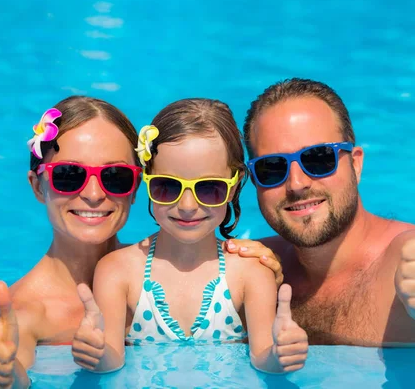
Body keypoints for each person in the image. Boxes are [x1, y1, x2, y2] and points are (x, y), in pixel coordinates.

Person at [227, 78, 415, 346]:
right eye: (272, 167)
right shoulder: (254, 269)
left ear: (356, 165)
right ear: (253, 180)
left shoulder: (405, 258)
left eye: (319, 158)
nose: (297, 184)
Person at [70, 98, 308, 374]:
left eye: (209, 188)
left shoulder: (249, 272)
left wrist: (280, 355)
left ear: (233, 186)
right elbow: (113, 359)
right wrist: (96, 354)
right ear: (146, 181)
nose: (187, 206)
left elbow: (262, 357)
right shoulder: (117, 271)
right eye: (167, 187)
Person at [0, 96, 142, 388]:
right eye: (69, 175)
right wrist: (7, 373)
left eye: (115, 176)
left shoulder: (168, 269)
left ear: (135, 188)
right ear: (38, 186)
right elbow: (12, 366)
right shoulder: (24, 315)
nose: (94, 194)